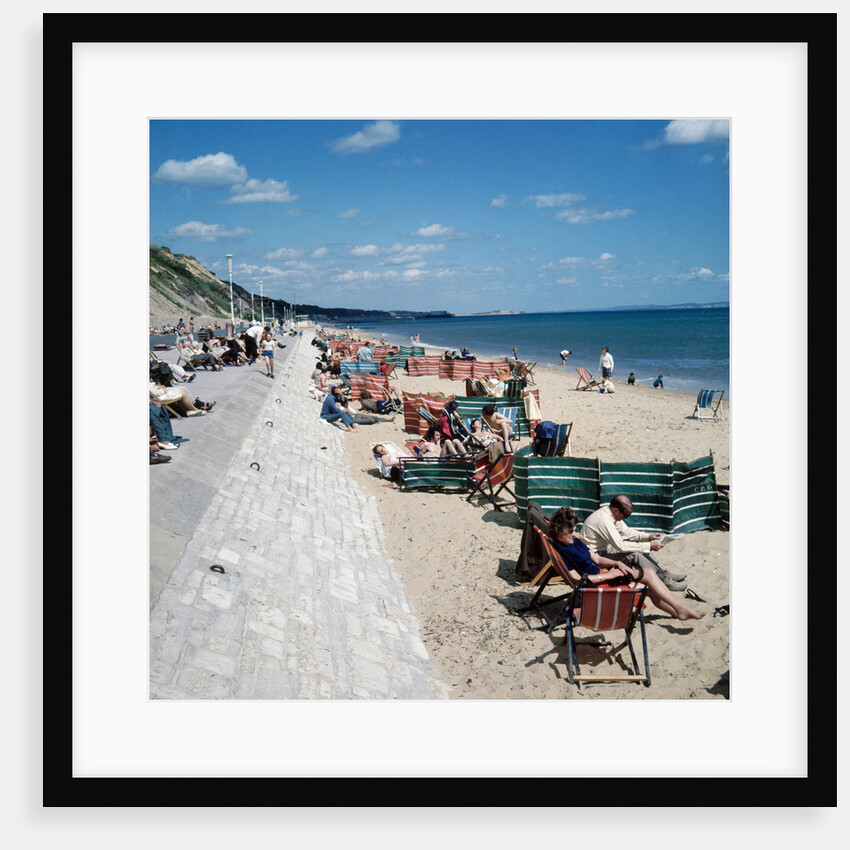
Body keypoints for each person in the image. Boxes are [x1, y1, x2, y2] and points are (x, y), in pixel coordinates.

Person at [549, 507, 704, 621]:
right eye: (570, 530)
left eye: (575, 529)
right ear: (559, 531)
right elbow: (577, 580)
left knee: (649, 576)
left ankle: (679, 612)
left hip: (605, 575)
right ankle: (680, 610)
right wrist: (608, 575)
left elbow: (596, 559)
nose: (574, 533)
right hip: (599, 587)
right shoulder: (562, 551)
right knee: (649, 583)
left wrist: (617, 563)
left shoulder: (573, 542)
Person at [580, 494, 688, 592]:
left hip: (604, 549)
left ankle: (663, 574)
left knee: (638, 547)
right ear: (616, 510)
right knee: (634, 553)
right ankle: (663, 581)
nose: (626, 518)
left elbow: (626, 532)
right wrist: (649, 546)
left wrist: (648, 537)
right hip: (595, 556)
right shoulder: (604, 520)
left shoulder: (611, 514)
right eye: (626, 515)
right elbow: (621, 546)